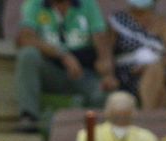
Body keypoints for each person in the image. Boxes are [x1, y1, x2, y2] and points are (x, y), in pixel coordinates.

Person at [13, 0, 110, 134]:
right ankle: (29, 117)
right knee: (27, 55)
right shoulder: (34, 4)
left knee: (103, 93)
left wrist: (107, 72)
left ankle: (90, 132)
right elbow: (25, 38)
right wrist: (63, 55)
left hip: (83, 72)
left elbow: (101, 40)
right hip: (50, 70)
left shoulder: (88, 4)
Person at [107, 0, 166, 112]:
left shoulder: (162, 23)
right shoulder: (117, 21)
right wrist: (108, 75)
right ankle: (150, 118)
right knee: (161, 90)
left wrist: (149, 66)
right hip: (128, 72)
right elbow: (107, 53)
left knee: (156, 74)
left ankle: (146, 116)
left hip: (159, 68)